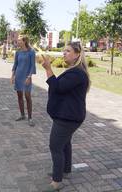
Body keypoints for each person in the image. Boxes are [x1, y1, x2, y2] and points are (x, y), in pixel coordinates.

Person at [41, 42, 90, 192]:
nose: (64, 53)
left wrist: (48, 68)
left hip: (68, 117)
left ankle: (57, 182)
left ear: (77, 54)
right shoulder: (74, 71)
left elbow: (57, 87)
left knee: (55, 146)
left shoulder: (77, 73)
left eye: (67, 51)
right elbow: (60, 87)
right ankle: (65, 171)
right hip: (69, 115)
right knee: (65, 143)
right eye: (64, 51)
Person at [11, 35, 36, 126]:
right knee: (19, 96)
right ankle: (22, 115)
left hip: (26, 77)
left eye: (19, 40)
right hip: (18, 76)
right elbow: (15, 64)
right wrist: (12, 76)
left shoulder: (31, 52)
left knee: (28, 97)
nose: (17, 42)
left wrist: (29, 77)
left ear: (24, 41)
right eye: (17, 40)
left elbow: (33, 66)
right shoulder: (17, 52)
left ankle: (30, 118)